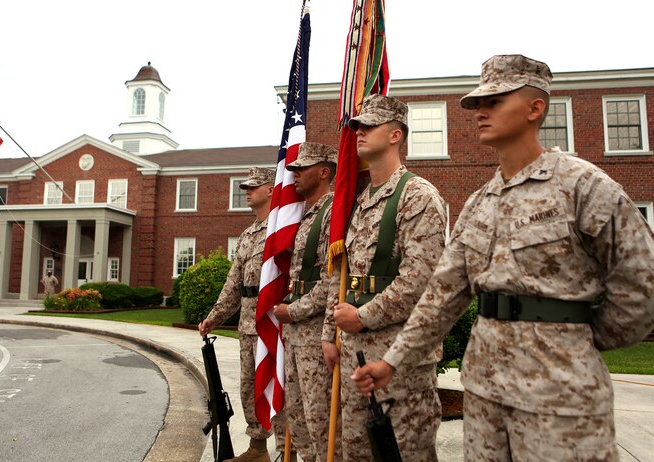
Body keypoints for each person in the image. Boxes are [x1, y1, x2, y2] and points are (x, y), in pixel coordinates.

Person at [353, 55, 654, 461]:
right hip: (485, 395)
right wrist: (392, 361)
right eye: (478, 103)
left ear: (535, 108)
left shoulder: (582, 186)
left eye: (495, 101)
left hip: (561, 396)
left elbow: (641, 285)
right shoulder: (480, 203)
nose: (480, 111)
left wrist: (579, 337)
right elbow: (441, 298)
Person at [321, 94, 447, 461]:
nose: (359, 132)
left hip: (400, 357)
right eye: (358, 125)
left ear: (395, 136)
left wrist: (361, 317)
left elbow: (420, 280)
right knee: (357, 451)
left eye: (369, 125)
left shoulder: (418, 196)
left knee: (404, 453)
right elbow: (343, 275)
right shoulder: (359, 202)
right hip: (355, 353)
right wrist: (332, 332)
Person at [198, 167, 285, 462]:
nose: (246, 191)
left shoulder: (282, 227)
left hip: (274, 322)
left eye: (253, 186)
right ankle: (258, 449)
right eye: (245, 187)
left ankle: (288, 450)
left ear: (271, 189)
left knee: (280, 386)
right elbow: (234, 283)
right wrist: (215, 316)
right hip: (248, 324)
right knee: (250, 385)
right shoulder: (247, 234)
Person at [272, 142, 341, 462]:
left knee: (321, 419)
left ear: (324, 172)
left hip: (314, 332)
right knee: (297, 416)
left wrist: (293, 310)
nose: (295, 174)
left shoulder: (332, 213)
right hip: (295, 332)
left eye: (303, 168)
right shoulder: (302, 215)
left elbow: (332, 279)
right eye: (294, 168)